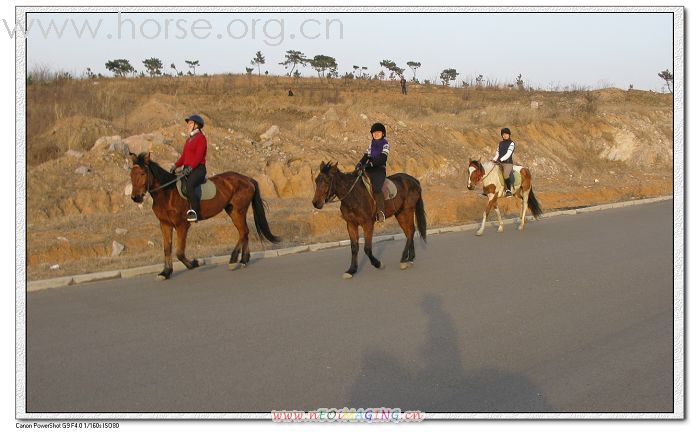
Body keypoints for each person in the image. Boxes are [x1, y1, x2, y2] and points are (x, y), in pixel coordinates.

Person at [171, 114, 208, 222]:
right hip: (187, 169)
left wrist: (190, 168)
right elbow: (184, 157)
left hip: (198, 169)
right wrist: (175, 165)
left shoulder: (201, 138)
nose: (188, 125)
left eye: (190, 123)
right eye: (188, 123)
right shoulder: (189, 140)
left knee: (189, 185)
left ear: (197, 125)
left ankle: (195, 212)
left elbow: (198, 156)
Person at [355, 122, 390, 222]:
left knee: (376, 187)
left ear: (383, 133)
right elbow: (366, 156)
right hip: (369, 168)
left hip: (379, 169)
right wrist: (359, 164)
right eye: (374, 133)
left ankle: (381, 212)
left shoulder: (385, 144)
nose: (376, 134)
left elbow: (383, 158)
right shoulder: (371, 144)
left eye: (378, 132)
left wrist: (371, 164)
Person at [493, 127, 515, 197]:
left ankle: (508, 190)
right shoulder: (500, 143)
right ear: (502, 135)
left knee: (505, 174)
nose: (505, 135)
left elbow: (508, 154)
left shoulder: (511, 143)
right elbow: (497, 153)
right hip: (499, 162)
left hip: (507, 163)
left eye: (506, 134)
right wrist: (494, 159)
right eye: (503, 134)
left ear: (509, 135)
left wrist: (501, 159)